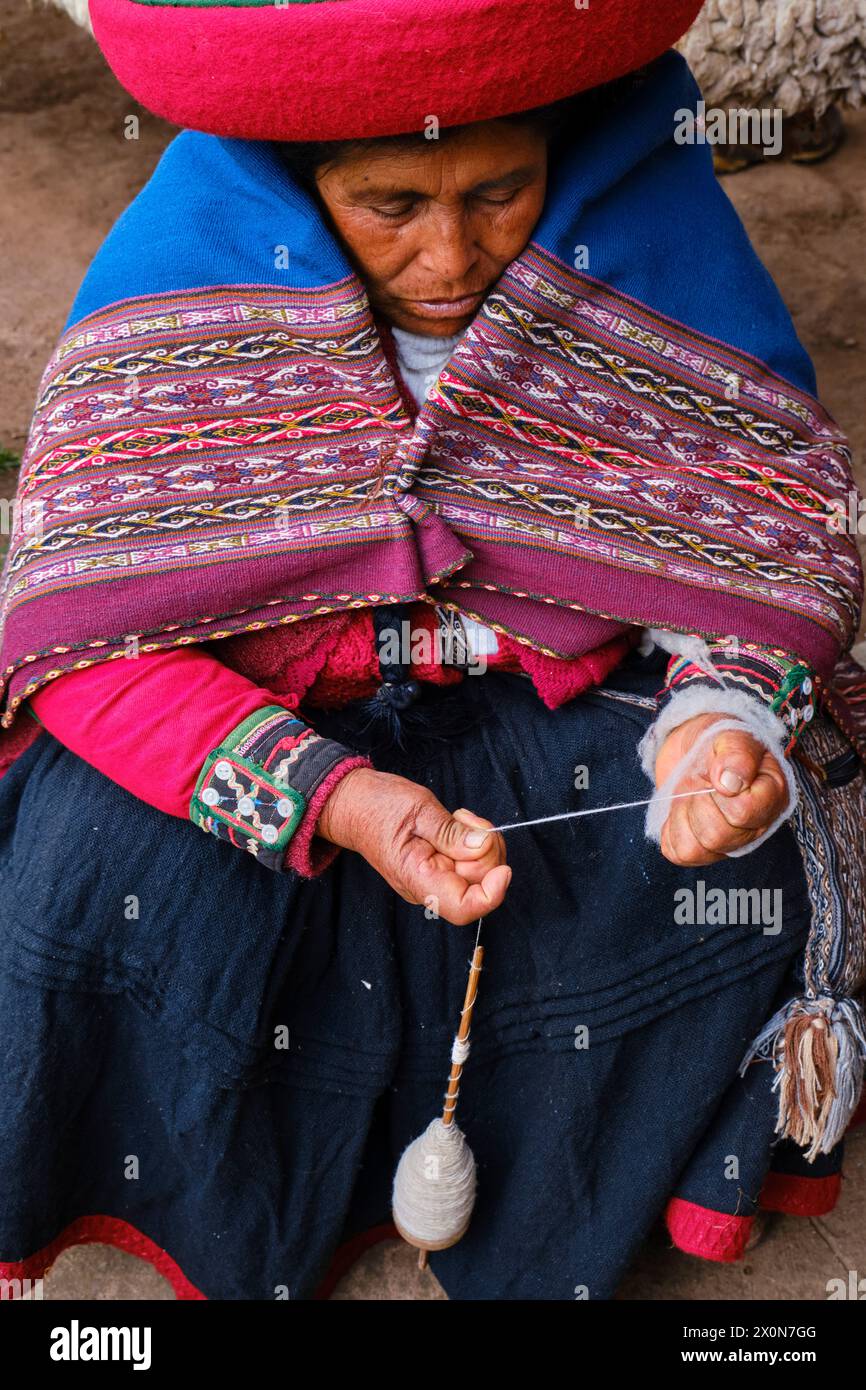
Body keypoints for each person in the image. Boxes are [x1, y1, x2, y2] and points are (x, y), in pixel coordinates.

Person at [0, 0, 864, 1301]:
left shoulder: (646, 266)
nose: (450, 253)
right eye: (390, 202)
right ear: (294, 181)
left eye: (502, 192)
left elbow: (752, 552)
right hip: (261, 718)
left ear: (562, 161)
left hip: (550, 700)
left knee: (744, 863)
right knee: (84, 876)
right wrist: (334, 798)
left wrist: (714, 722)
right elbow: (87, 643)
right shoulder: (172, 309)